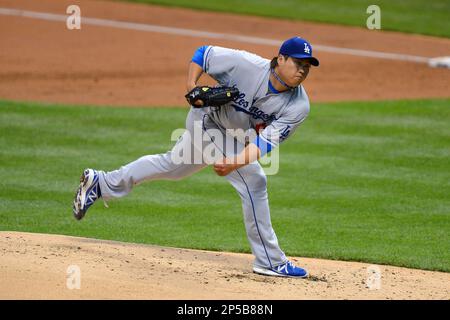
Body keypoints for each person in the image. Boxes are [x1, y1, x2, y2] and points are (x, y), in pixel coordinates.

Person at [72, 36, 319, 278]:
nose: (302, 71)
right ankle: (270, 261)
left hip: (233, 137)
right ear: (281, 58)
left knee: (173, 166)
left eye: (307, 67)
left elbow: (262, 144)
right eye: (298, 64)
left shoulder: (298, 106)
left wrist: (233, 162)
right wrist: (191, 86)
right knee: (254, 181)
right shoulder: (247, 65)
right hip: (206, 120)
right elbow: (204, 53)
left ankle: (101, 182)